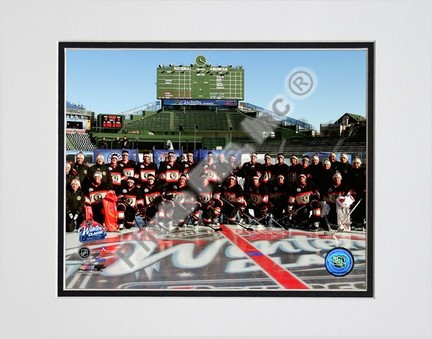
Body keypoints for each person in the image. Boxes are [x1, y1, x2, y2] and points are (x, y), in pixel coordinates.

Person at [348, 157, 366, 229]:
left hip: (361, 192)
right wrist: (350, 190)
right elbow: (349, 182)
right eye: (354, 163)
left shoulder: (363, 171)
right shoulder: (351, 171)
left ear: (360, 164)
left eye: (358, 163)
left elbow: (365, 181)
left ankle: (360, 221)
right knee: (353, 206)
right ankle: (354, 220)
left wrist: (364, 189)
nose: (356, 164)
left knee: (360, 207)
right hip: (353, 192)